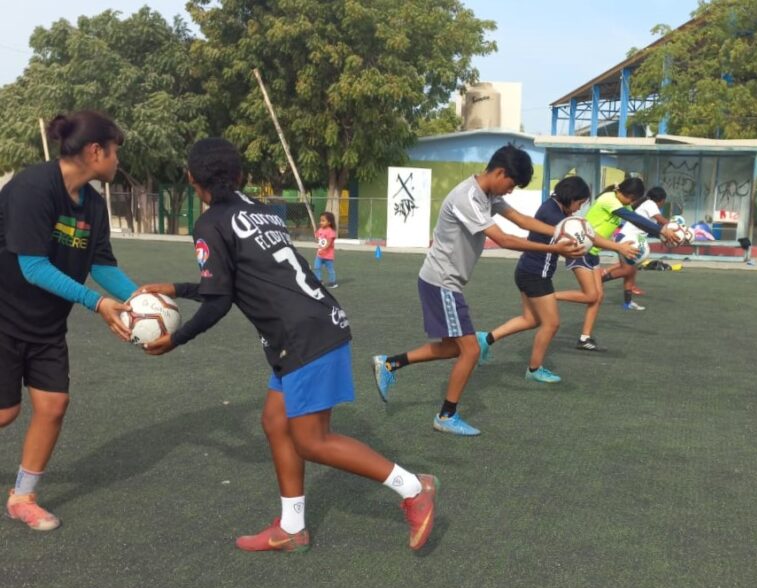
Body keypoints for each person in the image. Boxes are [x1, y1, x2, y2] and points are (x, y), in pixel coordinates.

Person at [141, 138, 437, 552]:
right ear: (239, 175)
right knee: (276, 422)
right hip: (310, 325)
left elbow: (218, 301)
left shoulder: (211, 223)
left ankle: (413, 487)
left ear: (191, 178)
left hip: (303, 335)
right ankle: (292, 527)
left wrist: (176, 339)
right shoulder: (261, 211)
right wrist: (176, 288)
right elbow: (235, 281)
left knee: (312, 441)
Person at [371, 144, 585, 436]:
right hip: (441, 282)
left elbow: (521, 220)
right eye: (511, 184)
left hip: (445, 281)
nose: (509, 192)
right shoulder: (467, 197)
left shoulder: (489, 193)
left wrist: (562, 231)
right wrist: (555, 247)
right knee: (470, 351)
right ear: (500, 172)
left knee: (451, 348)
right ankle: (446, 416)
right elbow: (506, 240)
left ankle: (390, 363)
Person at [0, 110, 137, 530]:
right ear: (96, 152)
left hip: (45, 324)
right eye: (115, 153)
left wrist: (139, 301)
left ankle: (22, 497)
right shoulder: (33, 187)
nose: (117, 161)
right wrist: (98, 305)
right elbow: (33, 268)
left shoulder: (93, 205)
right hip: (4, 315)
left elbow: (101, 263)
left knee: (54, 405)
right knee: (4, 412)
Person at [475, 176, 637, 382]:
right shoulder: (554, 214)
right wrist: (619, 246)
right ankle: (534, 370)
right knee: (551, 324)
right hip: (535, 274)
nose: (578, 209)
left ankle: (485, 339)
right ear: (570, 198)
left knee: (530, 319)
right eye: (578, 203)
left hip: (527, 270)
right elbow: (590, 237)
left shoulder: (554, 207)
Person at [556, 177, 678, 347]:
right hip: (581, 249)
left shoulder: (622, 202)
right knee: (591, 295)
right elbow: (630, 216)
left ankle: (585, 338)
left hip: (594, 251)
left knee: (598, 296)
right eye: (632, 199)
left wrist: (661, 235)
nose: (631, 203)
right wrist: (661, 229)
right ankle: (548, 297)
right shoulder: (608, 199)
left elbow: (637, 220)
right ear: (628, 195)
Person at [600, 186, 671, 307]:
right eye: (663, 202)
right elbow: (661, 220)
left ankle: (628, 303)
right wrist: (677, 227)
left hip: (629, 238)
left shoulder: (647, 205)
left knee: (631, 270)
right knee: (627, 270)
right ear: (661, 200)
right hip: (628, 238)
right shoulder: (650, 204)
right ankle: (598, 280)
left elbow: (651, 228)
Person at [313, 211, 338, 288]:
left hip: (328, 255)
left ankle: (332, 282)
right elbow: (318, 239)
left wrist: (323, 249)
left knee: (330, 269)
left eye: (323, 221)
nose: (321, 222)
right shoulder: (320, 229)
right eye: (320, 220)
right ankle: (319, 280)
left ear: (329, 222)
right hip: (319, 254)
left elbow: (329, 243)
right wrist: (316, 235)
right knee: (316, 267)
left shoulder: (331, 232)